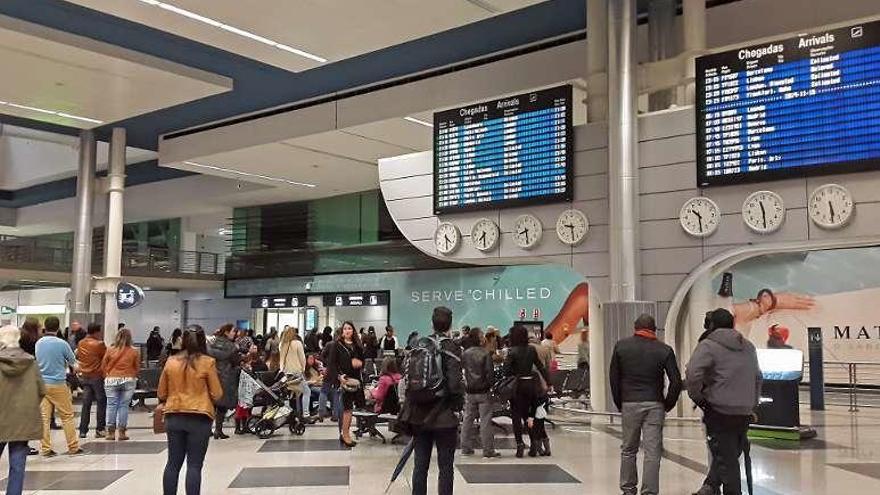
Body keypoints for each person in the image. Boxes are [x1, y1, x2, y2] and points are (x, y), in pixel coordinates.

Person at [686, 309, 762, 495]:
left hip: (719, 410)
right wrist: (752, 403)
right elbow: (758, 377)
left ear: (711, 325)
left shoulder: (708, 345)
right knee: (729, 454)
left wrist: (699, 398)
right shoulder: (749, 346)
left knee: (727, 460)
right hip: (743, 412)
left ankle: (723, 490)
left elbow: (692, 374)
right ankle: (710, 486)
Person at [609, 314, 683, 495]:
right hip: (654, 404)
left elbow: (614, 378)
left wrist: (620, 402)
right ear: (654, 329)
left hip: (630, 403)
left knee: (628, 449)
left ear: (635, 328)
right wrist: (667, 404)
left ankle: (628, 489)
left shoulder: (621, 346)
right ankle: (649, 492)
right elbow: (676, 381)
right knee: (652, 452)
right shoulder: (664, 350)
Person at [399, 307, 464, 495]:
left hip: (420, 415)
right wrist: (457, 406)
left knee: (420, 465)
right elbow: (454, 383)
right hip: (444, 417)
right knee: (445, 467)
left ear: (432, 323)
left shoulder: (420, 343)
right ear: (450, 324)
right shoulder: (452, 346)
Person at [159, 329, 223, 495]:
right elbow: (217, 393)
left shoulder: (171, 361)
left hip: (174, 415)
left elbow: (161, 393)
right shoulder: (208, 362)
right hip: (199, 418)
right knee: (194, 465)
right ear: (203, 341)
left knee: (172, 463)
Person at [0, 325, 45, 495]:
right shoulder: (30, 362)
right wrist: (28, 405)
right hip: (22, 420)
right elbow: (42, 390)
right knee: (18, 464)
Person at [35, 316, 82, 456]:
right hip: (58, 384)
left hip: (42, 384)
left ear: (45, 326)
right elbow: (74, 364)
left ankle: (45, 449)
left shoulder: (39, 343)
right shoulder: (62, 344)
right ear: (58, 327)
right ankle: (73, 447)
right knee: (67, 416)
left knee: (44, 417)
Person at [503, 324, 549, 458]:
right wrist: (548, 380)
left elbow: (506, 370)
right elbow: (540, 366)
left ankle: (519, 444)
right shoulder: (531, 350)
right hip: (530, 385)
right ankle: (534, 443)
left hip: (517, 386)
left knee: (516, 416)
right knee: (529, 415)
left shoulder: (512, 351)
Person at [460, 327, 500, 458]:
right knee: (485, 421)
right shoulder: (485, 353)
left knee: (467, 419)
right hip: (483, 392)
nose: (484, 337)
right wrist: (490, 386)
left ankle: (465, 447)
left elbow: (463, 371)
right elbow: (490, 374)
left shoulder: (465, 353)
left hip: (469, 391)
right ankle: (488, 450)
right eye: (482, 335)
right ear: (478, 338)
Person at [326, 321, 365, 448]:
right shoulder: (337, 345)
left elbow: (362, 361)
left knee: (352, 408)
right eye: (345, 329)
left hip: (356, 380)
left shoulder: (357, 345)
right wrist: (338, 376)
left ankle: (346, 433)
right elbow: (332, 364)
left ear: (353, 330)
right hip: (344, 380)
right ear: (342, 331)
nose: (347, 331)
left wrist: (359, 363)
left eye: (349, 328)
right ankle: (345, 434)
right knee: (347, 408)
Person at [102, 328, 141, 441]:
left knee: (111, 405)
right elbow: (137, 368)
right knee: (123, 406)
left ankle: (110, 433)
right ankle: (122, 433)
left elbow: (103, 365)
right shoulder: (135, 351)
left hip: (112, 379)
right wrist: (132, 375)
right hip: (128, 379)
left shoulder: (110, 349)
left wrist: (108, 376)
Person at [207, 324, 241, 440]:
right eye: (233, 331)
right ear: (226, 332)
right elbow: (236, 362)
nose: (234, 333)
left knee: (212, 404)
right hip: (226, 378)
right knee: (222, 405)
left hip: (212, 376)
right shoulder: (232, 347)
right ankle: (218, 430)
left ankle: (208, 430)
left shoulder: (212, 343)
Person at [76, 323, 107, 439]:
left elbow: (79, 356)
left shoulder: (81, 343)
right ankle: (100, 429)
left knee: (86, 403)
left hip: (85, 376)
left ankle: (83, 430)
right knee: (101, 402)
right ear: (96, 332)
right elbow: (106, 358)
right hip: (97, 376)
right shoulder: (100, 344)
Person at [279, 326, 310, 419]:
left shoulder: (282, 344)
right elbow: (302, 358)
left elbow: (281, 360)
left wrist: (283, 370)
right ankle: (305, 414)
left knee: (290, 394)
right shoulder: (297, 343)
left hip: (287, 373)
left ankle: (290, 414)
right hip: (297, 372)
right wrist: (303, 369)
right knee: (306, 391)